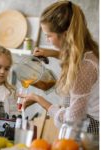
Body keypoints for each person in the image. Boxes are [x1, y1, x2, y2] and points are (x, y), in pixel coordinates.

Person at [21, 0, 99, 135]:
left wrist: (39, 100)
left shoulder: (83, 67)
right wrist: (53, 53)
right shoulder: (91, 53)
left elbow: (73, 120)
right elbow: (74, 57)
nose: (47, 40)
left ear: (65, 34)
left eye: (48, 36)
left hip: (92, 135)